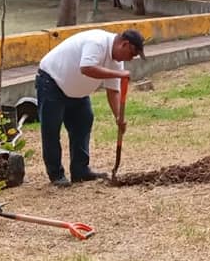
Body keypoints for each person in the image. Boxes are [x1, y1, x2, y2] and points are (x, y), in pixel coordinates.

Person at [35, 28, 145, 187]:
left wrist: (119, 117)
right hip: (52, 82)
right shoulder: (97, 42)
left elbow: (113, 91)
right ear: (125, 44)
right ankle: (56, 175)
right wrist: (118, 75)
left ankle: (80, 170)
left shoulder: (117, 61)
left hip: (77, 92)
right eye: (132, 54)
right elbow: (87, 68)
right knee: (51, 130)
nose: (131, 59)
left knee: (83, 123)